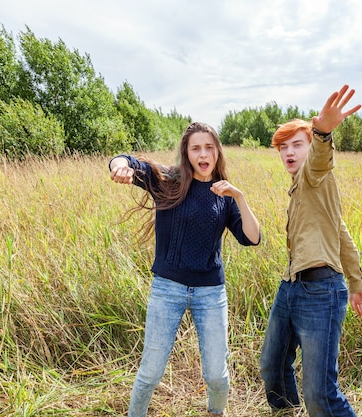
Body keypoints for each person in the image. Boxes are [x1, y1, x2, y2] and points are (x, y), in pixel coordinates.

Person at [109, 121, 261, 417]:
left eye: (208, 147)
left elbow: (252, 238)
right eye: (196, 148)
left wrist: (239, 197)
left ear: (217, 151)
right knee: (151, 372)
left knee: (216, 375)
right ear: (187, 153)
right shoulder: (168, 180)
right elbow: (127, 161)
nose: (203, 154)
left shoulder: (224, 194)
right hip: (167, 289)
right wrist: (119, 166)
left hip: (210, 294)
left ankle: (216, 413)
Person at [259, 85, 362, 417]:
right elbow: (342, 234)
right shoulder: (300, 187)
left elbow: (321, 157)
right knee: (273, 366)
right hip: (291, 287)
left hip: (320, 293)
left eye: (297, 144)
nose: (289, 153)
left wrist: (322, 132)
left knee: (320, 396)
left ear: (310, 148)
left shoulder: (315, 173)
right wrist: (357, 283)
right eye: (283, 147)